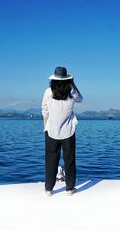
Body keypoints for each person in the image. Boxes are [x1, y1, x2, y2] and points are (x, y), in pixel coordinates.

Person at [42, 66, 83, 196]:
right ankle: (70, 189)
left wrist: (45, 127)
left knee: (50, 160)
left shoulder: (48, 92)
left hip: (51, 130)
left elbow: (45, 111)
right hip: (68, 131)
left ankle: (49, 189)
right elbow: (80, 98)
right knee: (69, 160)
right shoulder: (71, 91)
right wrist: (73, 82)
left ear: (53, 79)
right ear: (67, 79)